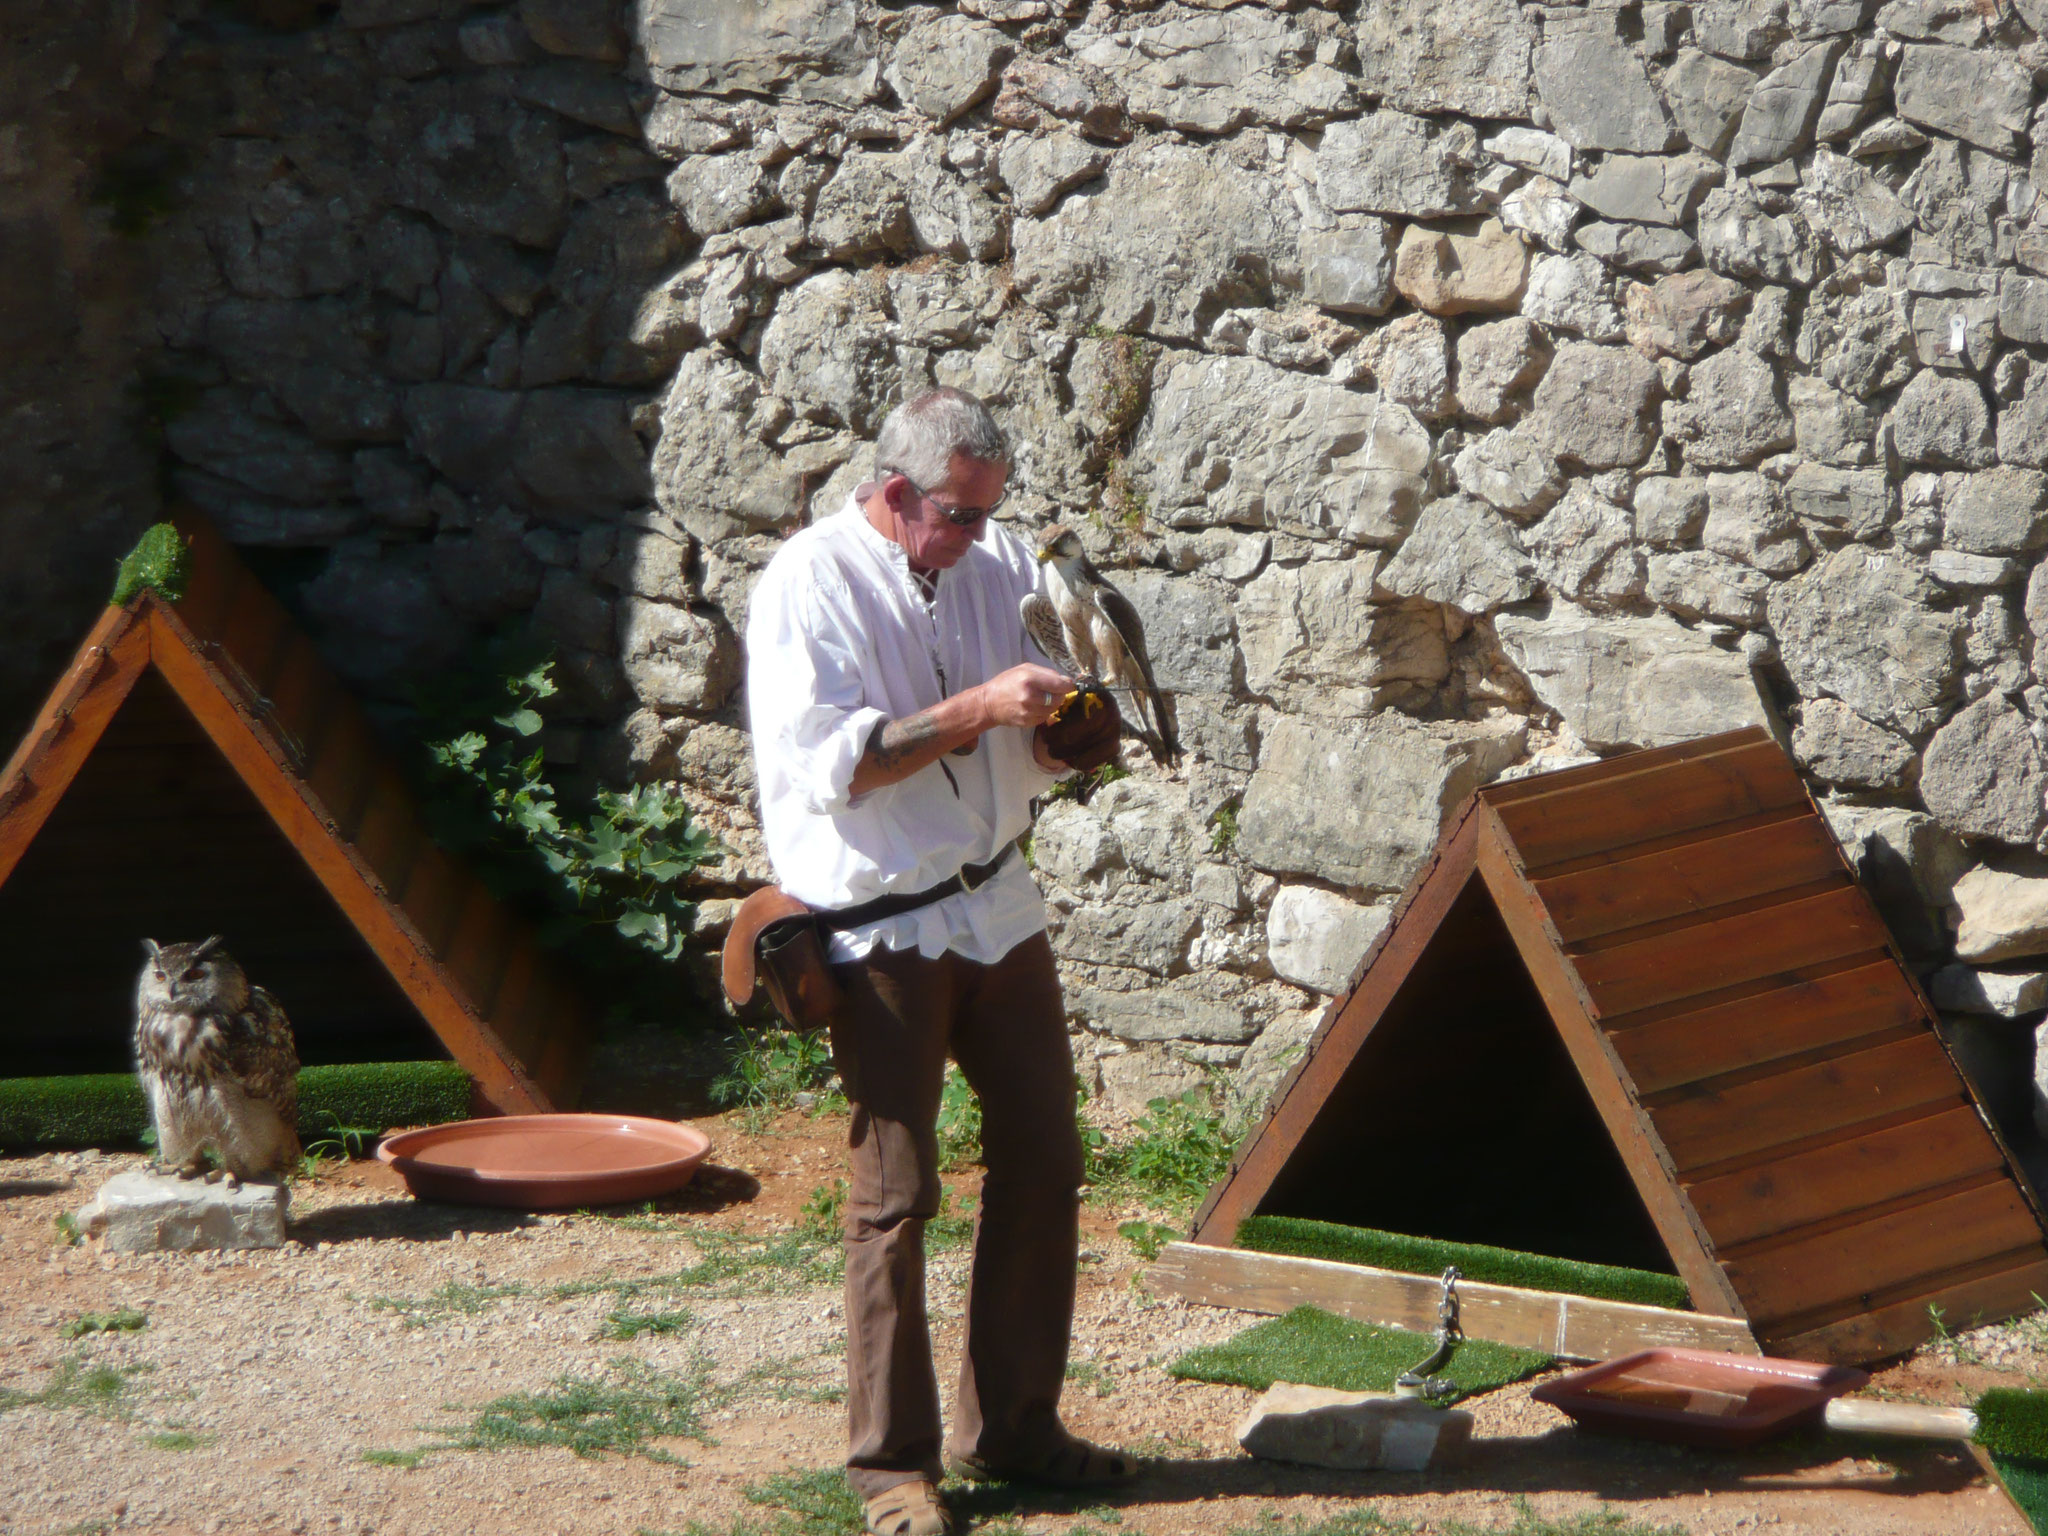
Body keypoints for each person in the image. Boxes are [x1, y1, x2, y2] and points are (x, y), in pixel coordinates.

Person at [744, 387, 1135, 1536]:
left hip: (997, 909)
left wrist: (1072, 733)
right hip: (877, 931)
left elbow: (1039, 724)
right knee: (894, 1196)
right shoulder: (805, 584)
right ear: (898, 493)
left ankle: (1013, 1425)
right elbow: (839, 767)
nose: (976, 538)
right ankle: (889, 1468)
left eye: (985, 515)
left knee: (1044, 1159)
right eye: (958, 517)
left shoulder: (994, 555)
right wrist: (973, 708)